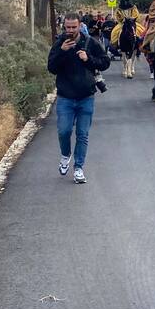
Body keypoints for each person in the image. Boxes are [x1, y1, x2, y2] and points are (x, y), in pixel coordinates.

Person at [47, 14, 110, 184]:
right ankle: (65, 155)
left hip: (86, 97)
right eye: (67, 27)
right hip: (65, 97)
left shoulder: (90, 42)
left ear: (80, 26)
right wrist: (62, 52)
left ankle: (79, 168)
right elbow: (51, 67)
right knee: (64, 131)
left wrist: (88, 58)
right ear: (64, 27)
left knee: (82, 134)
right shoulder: (59, 43)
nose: (70, 30)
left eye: (74, 27)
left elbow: (105, 62)